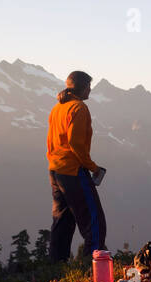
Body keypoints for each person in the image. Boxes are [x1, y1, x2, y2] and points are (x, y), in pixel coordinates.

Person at [46, 70, 107, 261]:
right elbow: (76, 144)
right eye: (89, 86)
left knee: (62, 221)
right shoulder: (79, 108)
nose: (91, 89)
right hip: (73, 171)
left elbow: (51, 140)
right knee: (94, 221)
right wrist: (93, 167)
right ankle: (94, 266)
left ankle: (56, 266)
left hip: (55, 170)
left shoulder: (57, 108)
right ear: (82, 87)